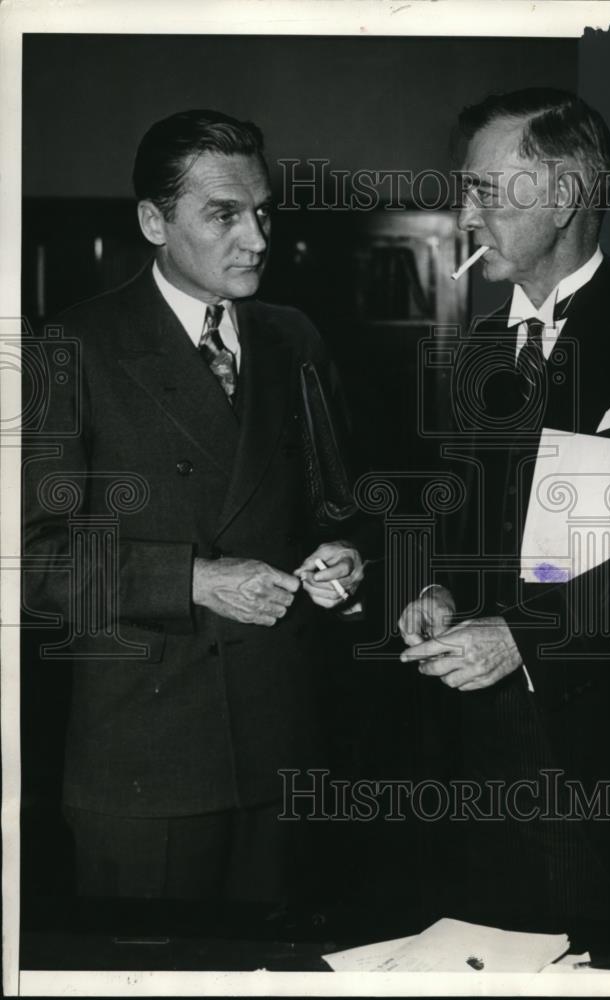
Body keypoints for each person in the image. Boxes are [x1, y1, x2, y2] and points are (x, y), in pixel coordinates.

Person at [398, 90, 610, 948]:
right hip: (478, 751)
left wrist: (523, 636)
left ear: (566, 197)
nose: (466, 216)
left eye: (488, 194)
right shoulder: (474, 346)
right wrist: (434, 585)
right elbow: (466, 522)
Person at [23, 109, 365, 901]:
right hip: (145, 764)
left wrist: (349, 563)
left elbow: (342, 511)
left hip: (287, 751)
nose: (256, 237)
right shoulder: (72, 345)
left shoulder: (295, 339)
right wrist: (193, 580)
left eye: (263, 211)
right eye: (223, 215)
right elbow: (32, 559)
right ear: (154, 221)